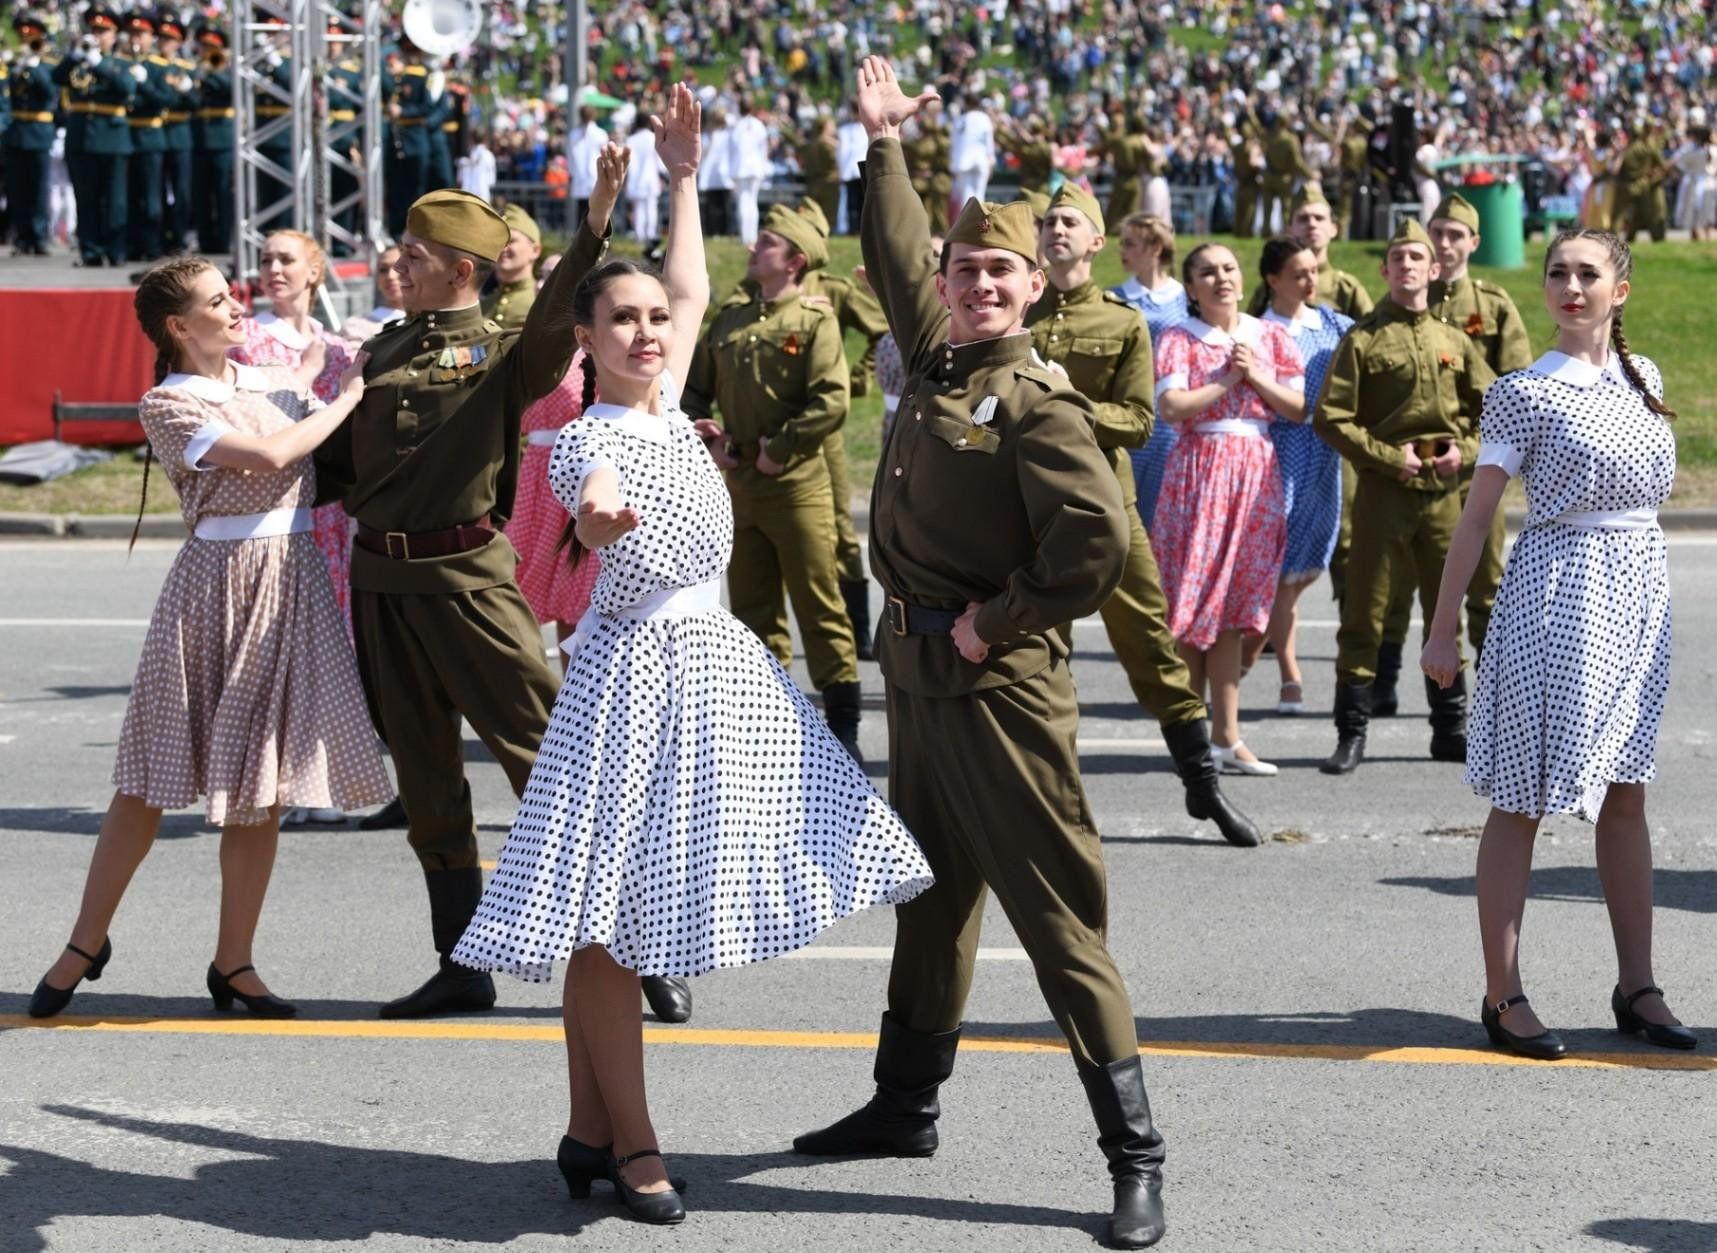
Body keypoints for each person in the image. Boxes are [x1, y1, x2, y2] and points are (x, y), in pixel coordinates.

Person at [450, 88, 932, 1226]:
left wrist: (679, 176)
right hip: (638, 676)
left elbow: (693, 284)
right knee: (608, 920)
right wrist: (603, 519)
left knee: (626, 916)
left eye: (652, 320)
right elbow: (595, 502)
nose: (646, 330)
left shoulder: (667, 398)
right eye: (618, 321)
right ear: (583, 338)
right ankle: (636, 1144)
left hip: (717, 667)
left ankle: (584, 1125)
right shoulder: (580, 439)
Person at [794, 58, 1168, 1253]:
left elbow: (1095, 542)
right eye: (966, 271)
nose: (976, 284)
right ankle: (904, 1105)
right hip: (917, 683)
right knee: (932, 896)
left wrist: (991, 621)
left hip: (996, 686)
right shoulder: (940, 352)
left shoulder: (1038, 399)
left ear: (1032, 284)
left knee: (1057, 918)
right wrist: (885, 144)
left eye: (999, 269)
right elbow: (900, 246)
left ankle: (1135, 1155)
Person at [313, 162, 693, 1026]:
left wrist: (594, 219)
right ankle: (459, 960)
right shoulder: (377, 351)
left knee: (553, 765)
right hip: (383, 580)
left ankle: (636, 955)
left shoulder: (502, 353)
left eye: (414, 254)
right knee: (426, 776)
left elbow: (559, 311)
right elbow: (338, 469)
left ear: (461, 270)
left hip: (468, 583)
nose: (394, 263)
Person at [27, 256, 389, 1021]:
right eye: (218, 301)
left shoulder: (261, 379)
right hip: (215, 587)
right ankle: (85, 941)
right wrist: (345, 395)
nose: (235, 308)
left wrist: (347, 357)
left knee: (263, 787)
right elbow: (272, 455)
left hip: (289, 577)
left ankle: (235, 960)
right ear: (178, 327)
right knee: (149, 777)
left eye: (233, 296)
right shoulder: (168, 402)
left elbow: (314, 359)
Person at [1420, 229, 1693, 1060]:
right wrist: (1440, 631)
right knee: (1523, 793)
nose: (1568, 286)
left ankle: (1636, 983)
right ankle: (1501, 993)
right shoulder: (1521, 391)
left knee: (1626, 788)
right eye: (1556, 273)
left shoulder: (1642, 378)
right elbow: (1476, 517)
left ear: (1620, 291)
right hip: (1556, 592)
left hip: (1637, 590)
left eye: (1586, 273)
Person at [1027, 185, 1261, 846]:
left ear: (1096, 242)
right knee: (1040, 653)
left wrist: (1064, 400)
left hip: (1104, 502)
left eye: (1068, 220)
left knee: (1151, 647)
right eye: (1047, 221)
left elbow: (1135, 423)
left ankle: (1201, 785)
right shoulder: (1014, 312)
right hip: (1027, 508)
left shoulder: (1121, 321)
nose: (1054, 228)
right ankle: (1048, 794)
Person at [681, 204, 865, 760]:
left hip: (796, 486)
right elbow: (693, 390)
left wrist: (778, 451)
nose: (752, 248)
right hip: (739, 486)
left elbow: (831, 398)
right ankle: (774, 727)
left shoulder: (814, 320)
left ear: (795, 260)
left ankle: (843, 731)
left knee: (819, 604)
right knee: (753, 611)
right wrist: (704, 431)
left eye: (766, 241)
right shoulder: (731, 317)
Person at [1313, 217, 1493, 775]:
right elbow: (1331, 417)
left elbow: (1495, 410)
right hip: (1384, 492)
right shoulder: (1363, 339)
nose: (1409, 266)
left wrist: (1466, 448)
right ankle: (1352, 731)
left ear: (1435, 270)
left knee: (1446, 612)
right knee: (1365, 610)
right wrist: (1391, 458)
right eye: (1399, 259)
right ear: (1385, 271)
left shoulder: (1454, 339)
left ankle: (1449, 728)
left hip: (1444, 494)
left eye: (1419, 258)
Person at [1368, 192, 1534, 716]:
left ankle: (1494, 699)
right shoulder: (1399, 301)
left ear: (1474, 243)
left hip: (1476, 467)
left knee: (1485, 587)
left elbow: (1514, 388)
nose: (1443, 243)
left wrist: (1478, 450)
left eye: (1455, 235)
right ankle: (1386, 685)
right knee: (1398, 586)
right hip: (1411, 471)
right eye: (1436, 232)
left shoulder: (1491, 305)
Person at [1151, 243, 1303, 777]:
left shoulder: (1272, 336)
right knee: (1191, 610)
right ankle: (1191, 735)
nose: (1221, 278)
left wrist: (1254, 373)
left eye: (1228, 268)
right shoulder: (1176, 338)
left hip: (1255, 473)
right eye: (1206, 272)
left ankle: (1225, 737)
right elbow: (1172, 408)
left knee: (1238, 608)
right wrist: (1228, 380)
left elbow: (1298, 408)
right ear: (1190, 287)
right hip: (1199, 471)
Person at [1253, 237, 1352, 714]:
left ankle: (1247, 654)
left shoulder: (1333, 322)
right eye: (1299, 274)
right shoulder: (1257, 330)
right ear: (1274, 280)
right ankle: (1288, 670)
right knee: (1280, 568)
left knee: (1306, 562)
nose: (1311, 280)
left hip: (1324, 454)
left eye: (1313, 271)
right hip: (1276, 454)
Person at [507, 348, 601, 663]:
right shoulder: (524, 347)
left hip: (582, 472)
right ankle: (561, 693)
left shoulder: (599, 350)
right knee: (523, 586)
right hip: (537, 479)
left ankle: (582, 684)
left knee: (578, 590)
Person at [1110, 213, 1187, 527]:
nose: (1122, 251)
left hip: (1173, 419)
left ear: (1155, 247)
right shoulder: (1116, 297)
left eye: (1130, 243)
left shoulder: (1186, 298)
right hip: (1131, 410)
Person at [55, 4, 134, 267]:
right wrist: (73, 56)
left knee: (115, 201)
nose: (97, 35)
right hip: (81, 137)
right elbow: (56, 77)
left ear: (114, 35)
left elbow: (126, 87)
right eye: (94, 29)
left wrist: (99, 63)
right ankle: (90, 250)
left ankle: (115, 250)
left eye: (104, 30)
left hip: (112, 137)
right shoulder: (78, 62)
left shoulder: (121, 62)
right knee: (86, 197)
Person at [4, 11, 58, 257]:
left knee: (39, 187)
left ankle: (39, 235)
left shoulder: (48, 64)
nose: (26, 40)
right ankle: (22, 236)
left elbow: (50, 94)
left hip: (39, 130)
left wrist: (34, 69)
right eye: (22, 36)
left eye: (32, 36)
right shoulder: (13, 65)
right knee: (17, 187)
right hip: (16, 132)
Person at [156, 14, 197, 254]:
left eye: (170, 39)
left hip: (180, 133)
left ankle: (180, 236)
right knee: (157, 192)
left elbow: (195, 103)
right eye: (162, 38)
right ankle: (161, 237)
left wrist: (187, 91)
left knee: (182, 191)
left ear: (179, 42)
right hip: (156, 131)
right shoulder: (152, 65)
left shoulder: (185, 68)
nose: (165, 43)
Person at [190, 24, 233, 255]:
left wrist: (213, 73)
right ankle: (206, 241)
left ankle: (224, 241)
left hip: (223, 137)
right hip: (199, 138)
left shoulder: (225, 71)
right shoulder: (194, 69)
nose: (208, 51)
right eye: (205, 46)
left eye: (213, 47)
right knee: (201, 193)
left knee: (224, 193)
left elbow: (231, 90)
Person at [482, 204, 541, 330]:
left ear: (535, 250)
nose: (503, 248)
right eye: (498, 242)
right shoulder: (483, 303)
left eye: (511, 241)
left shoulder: (541, 301)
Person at [340, 244, 406, 343]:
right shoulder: (357, 327)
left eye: (399, 268)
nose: (390, 276)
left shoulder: (431, 321)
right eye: (383, 270)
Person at [623, 115, 663, 246]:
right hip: (651, 178)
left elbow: (627, 163)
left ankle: (639, 237)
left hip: (635, 180)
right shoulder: (653, 138)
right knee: (651, 208)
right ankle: (651, 235)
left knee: (638, 210)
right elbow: (660, 162)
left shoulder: (631, 140)